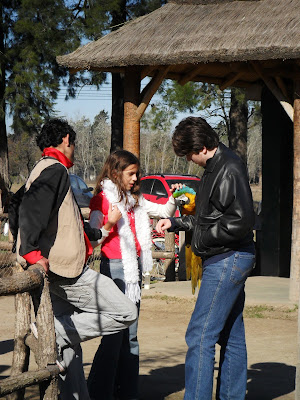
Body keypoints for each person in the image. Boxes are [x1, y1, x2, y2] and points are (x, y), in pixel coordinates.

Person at [16, 118, 138, 400]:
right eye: (74, 143)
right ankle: (52, 332)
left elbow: (23, 207)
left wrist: (100, 231)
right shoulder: (55, 169)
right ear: (67, 140)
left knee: (71, 348)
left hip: (55, 267)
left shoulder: (41, 169)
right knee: (125, 312)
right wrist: (31, 252)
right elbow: (30, 211)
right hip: (64, 270)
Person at [156, 117, 255, 400]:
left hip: (227, 259)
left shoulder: (229, 168)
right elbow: (208, 218)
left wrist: (201, 239)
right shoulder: (215, 167)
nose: (188, 160)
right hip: (228, 257)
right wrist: (175, 224)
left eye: (188, 154)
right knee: (231, 336)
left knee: (199, 335)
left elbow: (241, 222)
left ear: (200, 146)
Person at [87, 150, 179, 400]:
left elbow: (164, 210)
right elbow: (93, 240)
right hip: (114, 268)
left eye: (136, 173)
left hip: (134, 268)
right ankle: (98, 392)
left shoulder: (133, 199)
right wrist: (109, 222)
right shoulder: (102, 201)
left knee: (132, 334)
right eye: (131, 173)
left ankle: (128, 392)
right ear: (115, 172)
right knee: (114, 336)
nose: (135, 178)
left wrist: (175, 196)